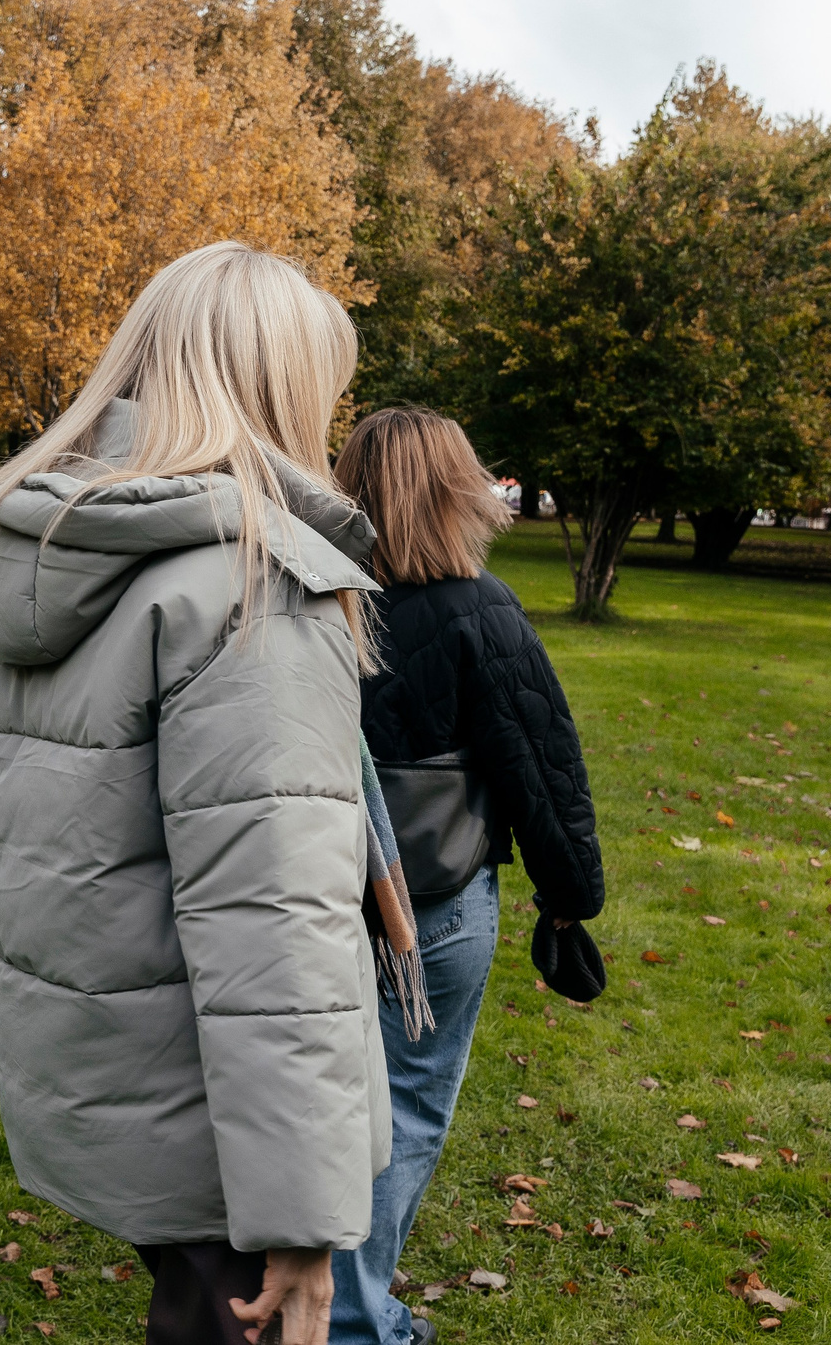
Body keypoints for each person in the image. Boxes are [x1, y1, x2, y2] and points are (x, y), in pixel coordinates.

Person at [0, 243, 387, 1345]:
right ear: (285, 386)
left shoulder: (47, 548)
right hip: (208, 1114)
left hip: (117, 1070)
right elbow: (275, 919)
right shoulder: (254, 586)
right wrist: (303, 1216)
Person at [325, 408, 603, 1345]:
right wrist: (569, 903)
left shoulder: (304, 596)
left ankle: (304, 1297)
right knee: (402, 1110)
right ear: (455, 488)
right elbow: (544, 767)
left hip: (306, 898)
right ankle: (356, 1319)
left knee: (307, 1108)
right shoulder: (481, 607)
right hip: (434, 911)